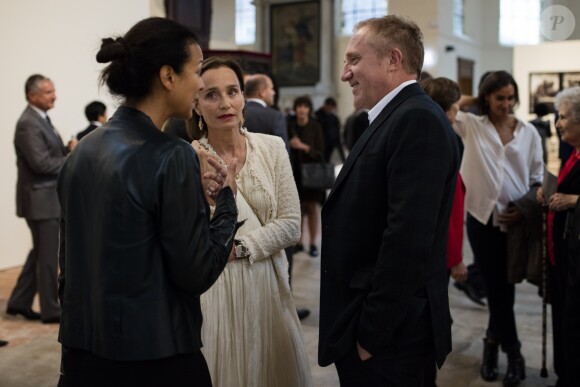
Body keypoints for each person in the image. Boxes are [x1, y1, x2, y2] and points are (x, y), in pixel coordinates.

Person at [56, 17, 239, 387]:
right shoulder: (172, 156)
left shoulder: (81, 151)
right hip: (155, 356)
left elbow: (71, 263)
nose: (201, 83)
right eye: (197, 70)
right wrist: (227, 200)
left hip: (84, 354)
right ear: (168, 76)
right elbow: (196, 272)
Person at [318, 15, 459, 386]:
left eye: (353, 60)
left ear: (393, 60)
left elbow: (407, 240)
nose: (345, 73)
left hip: (391, 338)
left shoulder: (416, 120)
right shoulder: (392, 116)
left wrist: (370, 335)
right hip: (376, 328)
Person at [188, 56, 312, 387]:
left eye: (232, 91)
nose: (225, 103)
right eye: (211, 94)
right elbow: (184, 236)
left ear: (243, 96)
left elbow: (290, 224)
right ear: (196, 105)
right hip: (213, 293)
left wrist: (239, 247)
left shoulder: (272, 148)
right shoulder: (187, 158)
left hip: (266, 285)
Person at [456, 70, 543, 386]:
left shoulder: (529, 133)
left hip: (516, 224)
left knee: (503, 290)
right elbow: (442, 102)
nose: (506, 104)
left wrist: (523, 209)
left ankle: (492, 344)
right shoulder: (472, 126)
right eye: (499, 98)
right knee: (497, 289)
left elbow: (537, 179)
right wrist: (475, 100)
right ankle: (513, 352)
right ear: (486, 98)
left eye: (510, 98)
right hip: (481, 221)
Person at [6, 74, 76, 324]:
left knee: (39, 254)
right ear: (32, 95)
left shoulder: (40, 119)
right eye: (48, 92)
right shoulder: (28, 123)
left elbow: (48, 157)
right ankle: (51, 310)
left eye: (53, 90)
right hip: (40, 201)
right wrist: (72, 157)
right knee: (48, 259)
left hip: (45, 199)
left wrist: (67, 150)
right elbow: (40, 163)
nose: (54, 95)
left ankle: (18, 302)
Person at [420, 77, 468, 387]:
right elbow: (449, 208)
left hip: (432, 248)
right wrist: (456, 257)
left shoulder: (432, 133)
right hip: (436, 250)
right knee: (434, 316)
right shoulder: (448, 138)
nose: (458, 114)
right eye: (456, 108)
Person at [536, 86, 580, 387]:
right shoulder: (573, 152)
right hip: (562, 258)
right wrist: (547, 194)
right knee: (565, 320)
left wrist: (574, 201)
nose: (558, 124)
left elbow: (574, 197)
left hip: (576, 260)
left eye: (563, 117)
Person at [287, 96, 325, 257]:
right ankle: (300, 242)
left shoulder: (315, 126)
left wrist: (302, 147)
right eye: (299, 106)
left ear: (309, 109)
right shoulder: (291, 126)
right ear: (295, 109)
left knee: (312, 208)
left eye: (305, 106)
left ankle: (313, 243)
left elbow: (320, 152)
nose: (301, 109)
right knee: (298, 209)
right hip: (294, 172)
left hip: (311, 173)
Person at [244, 74, 289, 150]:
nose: (274, 93)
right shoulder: (275, 116)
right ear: (262, 92)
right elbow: (283, 152)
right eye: (271, 88)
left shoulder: (237, 114)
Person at [316, 97, 345, 162]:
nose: (330, 110)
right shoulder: (317, 116)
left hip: (333, 146)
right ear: (325, 105)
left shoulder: (334, 117)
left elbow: (337, 134)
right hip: (322, 147)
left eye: (332, 109)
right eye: (329, 108)